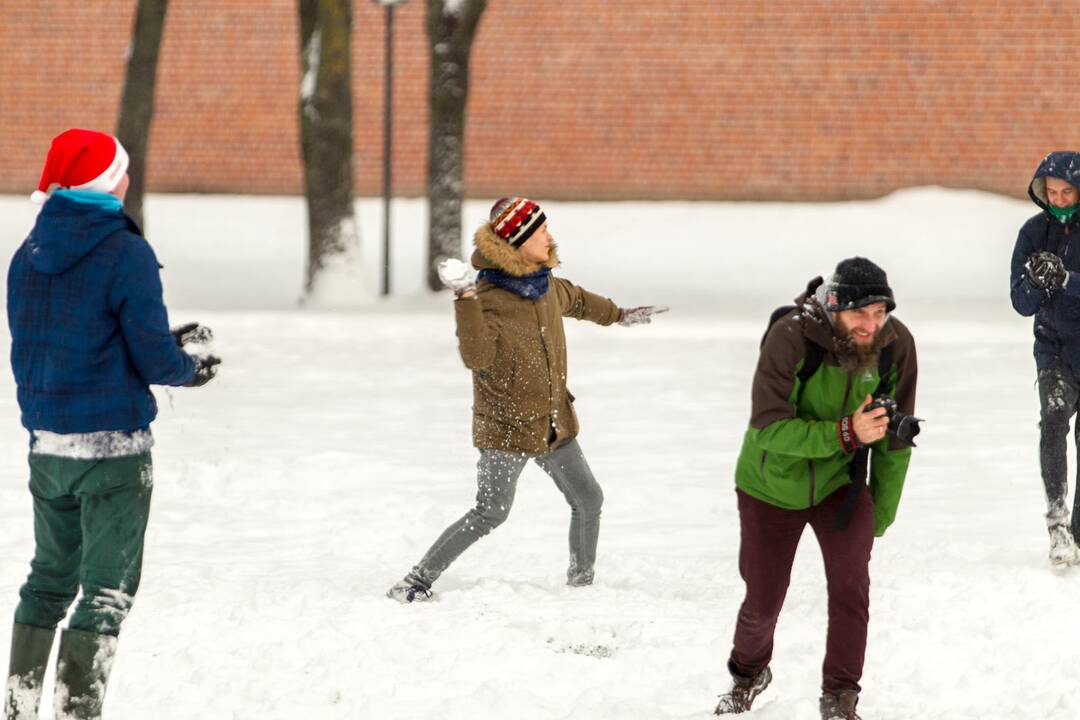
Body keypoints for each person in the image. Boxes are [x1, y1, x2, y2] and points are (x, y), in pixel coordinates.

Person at [3, 129, 220, 720]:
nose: (126, 179)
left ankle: (19, 710)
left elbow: (69, 342)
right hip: (113, 452)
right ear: (104, 181)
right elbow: (150, 357)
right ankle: (77, 714)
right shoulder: (124, 252)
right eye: (121, 170)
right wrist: (186, 369)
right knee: (105, 592)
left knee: (48, 582)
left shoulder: (29, 254)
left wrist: (159, 347)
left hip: (49, 448)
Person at [387, 197, 665, 603]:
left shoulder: (546, 286)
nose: (550, 235)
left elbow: (580, 300)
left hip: (553, 423)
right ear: (518, 241)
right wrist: (465, 298)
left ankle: (581, 585)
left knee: (588, 499)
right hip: (507, 426)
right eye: (541, 231)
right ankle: (414, 580)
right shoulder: (491, 299)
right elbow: (476, 356)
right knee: (491, 512)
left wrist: (619, 315)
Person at [713, 258, 917, 720]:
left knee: (851, 590)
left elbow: (895, 440)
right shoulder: (791, 337)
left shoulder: (894, 345)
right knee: (763, 602)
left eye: (880, 312)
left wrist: (879, 514)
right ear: (834, 308)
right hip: (770, 484)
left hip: (841, 486)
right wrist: (846, 433)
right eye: (860, 314)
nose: (872, 325)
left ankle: (840, 697)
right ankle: (747, 675)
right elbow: (768, 428)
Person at [1010, 150, 1080, 567]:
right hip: (1053, 349)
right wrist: (1037, 282)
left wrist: (1067, 279)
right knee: (1054, 421)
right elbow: (1020, 303)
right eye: (1050, 192)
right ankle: (1056, 521)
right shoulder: (1033, 233)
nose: (1057, 199)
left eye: (1066, 192)